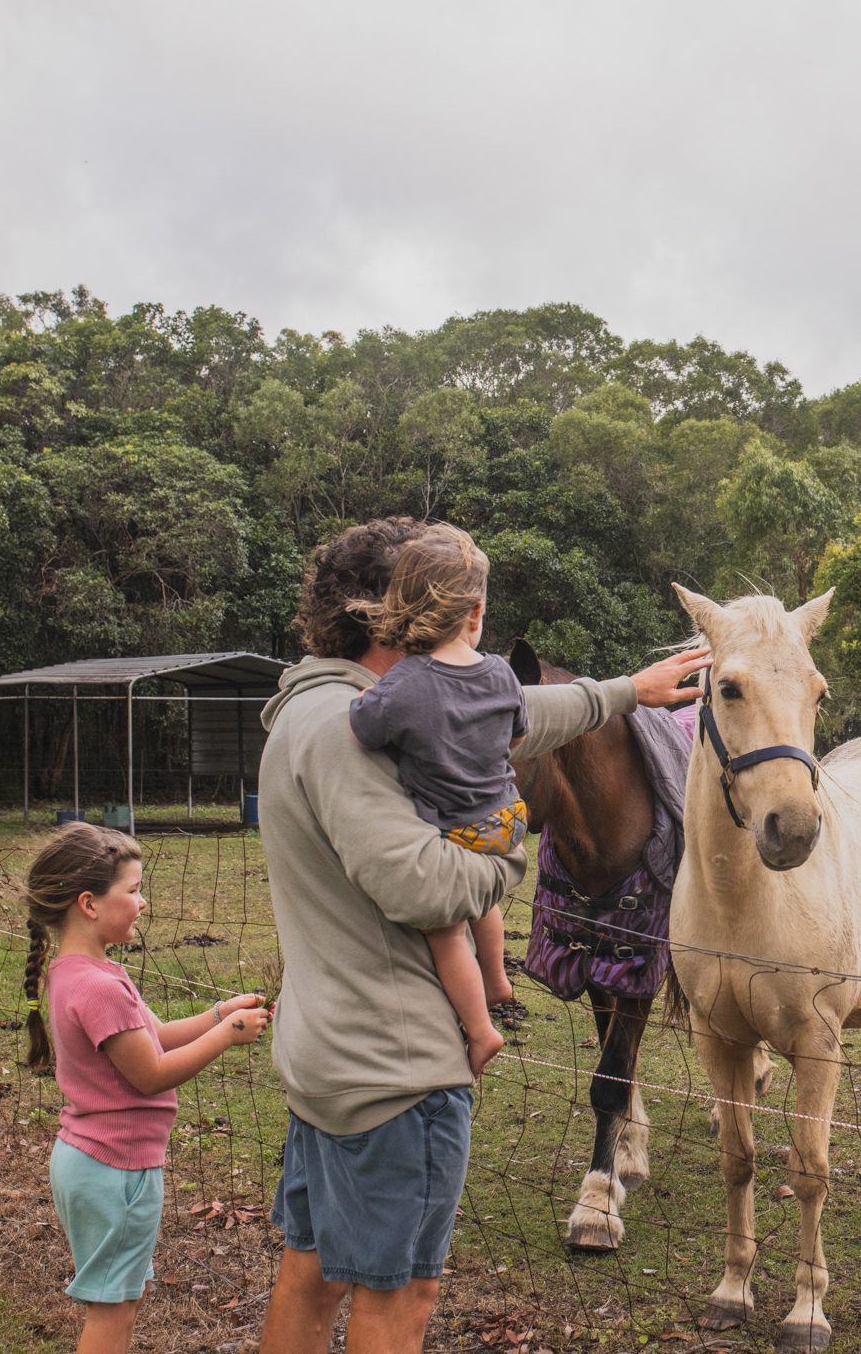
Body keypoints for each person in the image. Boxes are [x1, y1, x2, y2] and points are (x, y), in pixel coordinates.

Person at [257, 517, 707, 1354]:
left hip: (330, 1056)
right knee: (401, 1300)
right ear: (397, 616)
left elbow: (503, 709)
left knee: (312, 1271)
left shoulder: (324, 708)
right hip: (392, 1079)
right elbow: (422, 885)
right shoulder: (346, 731)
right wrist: (506, 848)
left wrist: (621, 692)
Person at [21, 822, 271, 1354]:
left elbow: (151, 1039)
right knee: (113, 1314)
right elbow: (151, 1073)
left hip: (92, 1162)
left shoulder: (81, 971)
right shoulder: (99, 986)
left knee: (119, 1303)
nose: (144, 902)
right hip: (117, 1170)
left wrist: (217, 1012)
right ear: (89, 903)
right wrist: (228, 1035)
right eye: (132, 891)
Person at [345, 523, 523, 1077]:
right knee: (482, 899)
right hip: (507, 819)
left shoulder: (406, 684)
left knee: (445, 926)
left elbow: (362, 729)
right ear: (474, 613)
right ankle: (496, 978)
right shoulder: (500, 672)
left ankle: (480, 1028)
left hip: (456, 826)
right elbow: (517, 731)